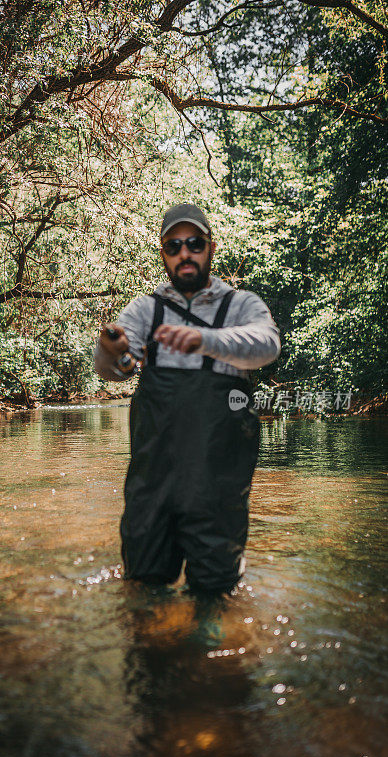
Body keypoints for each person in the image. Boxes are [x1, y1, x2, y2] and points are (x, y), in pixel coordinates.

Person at [94, 203, 281, 594]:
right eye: (173, 245)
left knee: (216, 591)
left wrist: (204, 341)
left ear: (210, 248)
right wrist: (111, 349)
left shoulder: (241, 304)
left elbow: (268, 345)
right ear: (164, 253)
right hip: (153, 482)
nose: (185, 253)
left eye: (194, 243)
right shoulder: (147, 308)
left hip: (218, 484)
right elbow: (113, 369)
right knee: (143, 585)